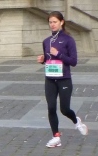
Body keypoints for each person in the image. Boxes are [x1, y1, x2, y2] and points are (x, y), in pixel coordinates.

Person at [36, 11, 88, 148]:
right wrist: (43, 60)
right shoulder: (46, 41)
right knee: (51, 107)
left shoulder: (68, 40)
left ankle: (76, 121)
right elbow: (49, 59)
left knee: (64, 109)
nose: (52, 24)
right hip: (50, 79)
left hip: (64, 79)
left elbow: (73, 61)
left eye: (55, 22)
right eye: (50, 22)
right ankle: (56, 137)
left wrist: (58, 53)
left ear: (62, 22)